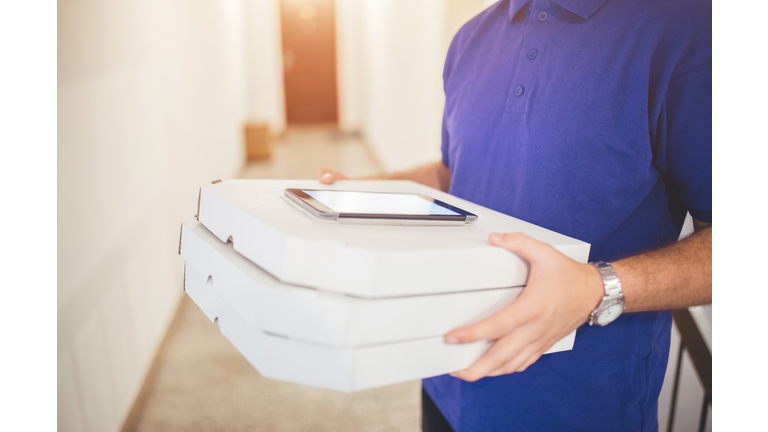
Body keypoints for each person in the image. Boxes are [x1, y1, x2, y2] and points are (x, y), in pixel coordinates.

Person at [320, 0, 711, 430]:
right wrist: (369, 192)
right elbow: (456, 172)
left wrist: (597, 288)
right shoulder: (470, 38)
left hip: (574, 408)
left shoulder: (689, 26)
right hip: (445, 378)